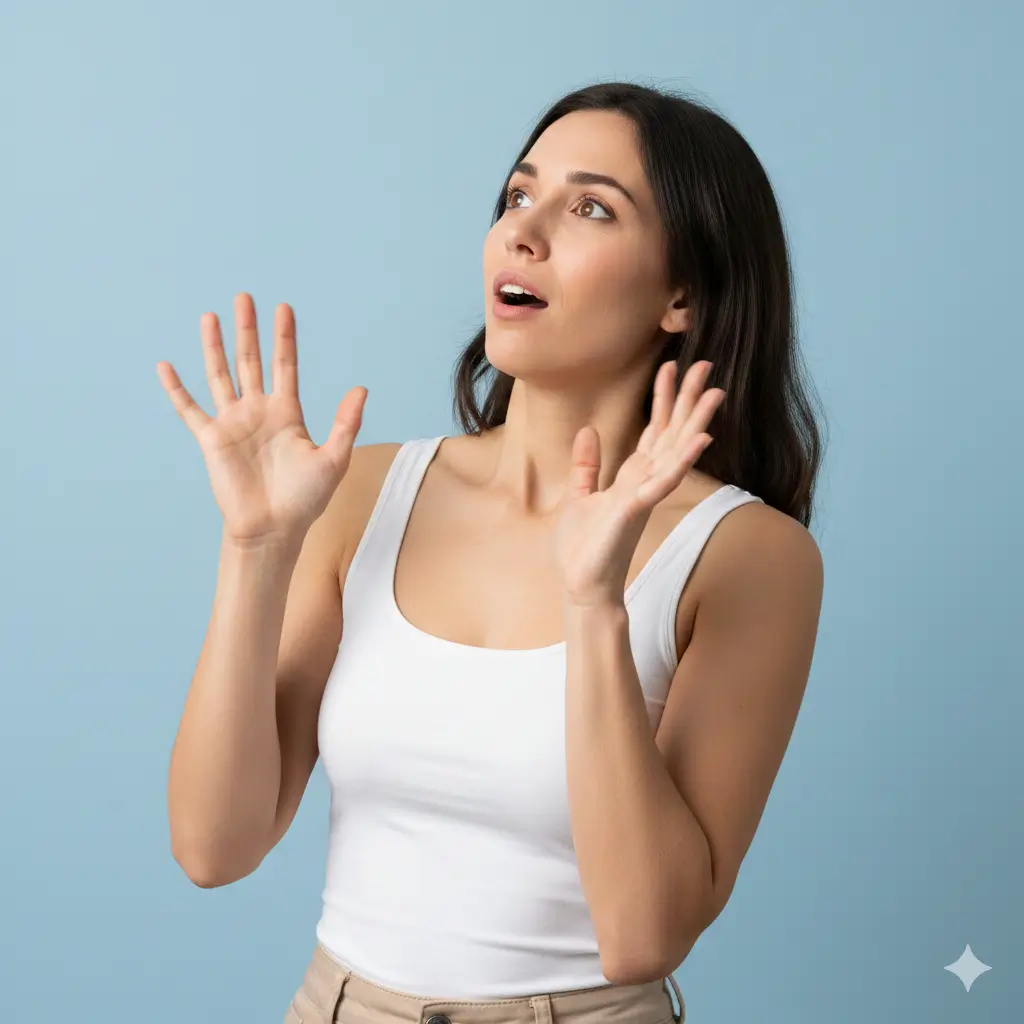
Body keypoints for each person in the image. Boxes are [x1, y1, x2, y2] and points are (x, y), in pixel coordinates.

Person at [157, 81, 826, 1024]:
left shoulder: (748, 557)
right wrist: (256, 548)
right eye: (518, 197)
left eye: (590, 207)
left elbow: (645, 934)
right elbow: (211, 847)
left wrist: (594, 605)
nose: (524, 232)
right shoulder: (362, 492)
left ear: (683, 295)